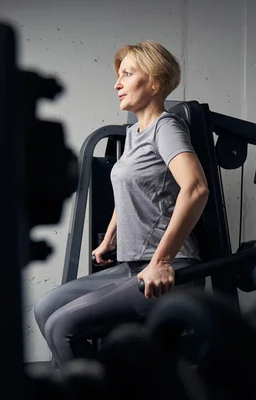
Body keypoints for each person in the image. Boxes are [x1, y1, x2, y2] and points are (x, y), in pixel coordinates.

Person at [33, 40, 209, 369]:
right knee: (45, 308)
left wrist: (162, 262)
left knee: (63, 328)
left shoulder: (165, 128)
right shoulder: (133, 135)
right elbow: (129, 191)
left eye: (127, 74)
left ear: (155, 81)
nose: (117, 83)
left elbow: (196, 187)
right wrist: (108, 240)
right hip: (132, 265)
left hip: (169, 271)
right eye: (119, 75)